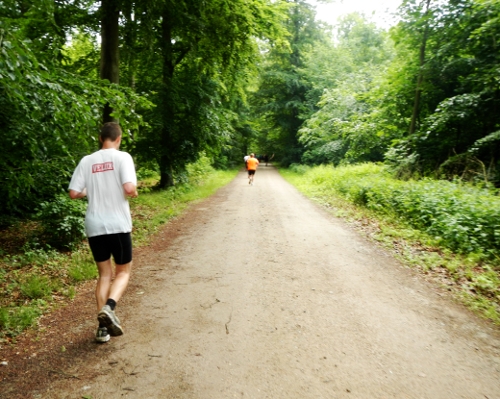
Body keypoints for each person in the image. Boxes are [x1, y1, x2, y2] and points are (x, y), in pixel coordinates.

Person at [69, 122, 138, 343]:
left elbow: (74, 193)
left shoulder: (87, 161)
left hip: (95, 226)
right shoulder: (123, 157)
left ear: (101, 138)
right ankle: (110, 308)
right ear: (118, 139)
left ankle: (102, 329)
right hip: (117, 224)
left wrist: (92, 188)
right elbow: (129, 188)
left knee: (104, 275)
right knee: (123, 272)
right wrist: (134, 192)